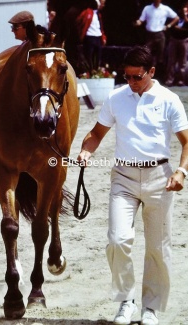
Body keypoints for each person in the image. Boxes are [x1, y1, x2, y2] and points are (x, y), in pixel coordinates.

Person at [77, 45, 188, 325]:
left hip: (159, 179)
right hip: (123, 177)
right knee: (117, 240)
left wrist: (181, 171)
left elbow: (187, 141)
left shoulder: (169, 99)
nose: (131, 82)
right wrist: (86, 151)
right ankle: (126, 301)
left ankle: (150, 307)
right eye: (126, 77)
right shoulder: (117, 98)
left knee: (158, 247)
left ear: (151, 72)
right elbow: (96, 133)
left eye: (137, 77)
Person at [135, 0, 179, 81]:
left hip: (160, 34)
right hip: (150, 35)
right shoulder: (147, 8)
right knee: (147, 55)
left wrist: (168, 25)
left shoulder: (165, 8)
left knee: (161, 56)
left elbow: (176, 17)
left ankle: (160, 77)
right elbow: (141, 20)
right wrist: (138, 22)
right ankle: (146, 76)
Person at [76, 0, 106, 74]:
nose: (101, 5)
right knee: (89, 55)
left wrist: (103, 38)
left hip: (98, 36)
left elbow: (100, 27)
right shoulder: (87, 12)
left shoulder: (99, 14)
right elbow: (78, 21)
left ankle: (96, 70)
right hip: (89, 36)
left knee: (98, 55)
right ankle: (90, 71)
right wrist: (82, 31)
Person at [165, 2, 188, 86]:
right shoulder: (175, 15)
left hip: (184, 40)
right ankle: (169, 80)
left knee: (183, 62)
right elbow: (171, 27)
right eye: (184, 6)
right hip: (174, 39)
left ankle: (181, 80)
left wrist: (185, 16)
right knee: (171, 61)